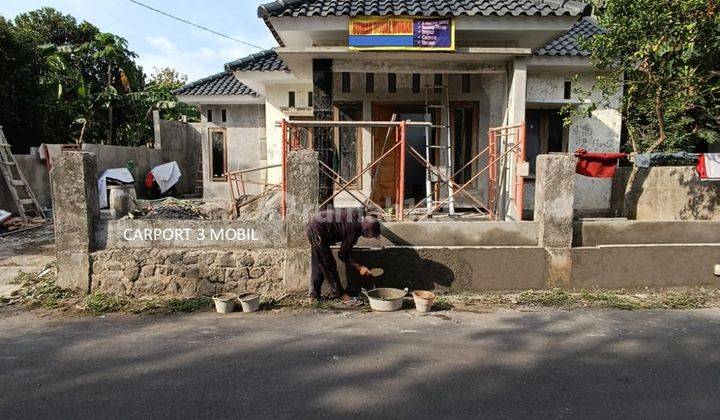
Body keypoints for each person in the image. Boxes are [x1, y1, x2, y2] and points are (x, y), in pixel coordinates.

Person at [306, 209, 381, 303]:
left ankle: (312, 295)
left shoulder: (357, 217)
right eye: (371, 236)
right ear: (366, 232)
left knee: (319, 264)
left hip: (314, 226)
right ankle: (340, 294)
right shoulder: (353, 231)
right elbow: (342, 255)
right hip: (318, 232)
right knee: (329, 265)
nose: (370, 238)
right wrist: (359, 267)